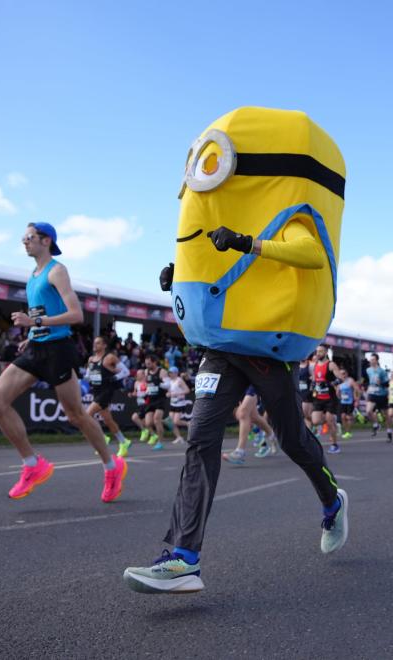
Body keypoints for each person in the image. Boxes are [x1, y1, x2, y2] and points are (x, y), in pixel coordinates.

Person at [124, 108, 347, 594]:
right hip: (221, 349)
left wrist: (250, 242)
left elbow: (309, 253)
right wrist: (175, 276)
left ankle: (332, 502)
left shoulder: (289, 216)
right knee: (201, 439)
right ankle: (184, 559)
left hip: (267, 348)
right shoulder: (220, 217)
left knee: (293, 440)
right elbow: (204, 258)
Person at [0, 222, 126, 501]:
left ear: (46, 240)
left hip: (59, 350)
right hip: (36, 347)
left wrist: (34, 321)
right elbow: (42, 314)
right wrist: (33, 332)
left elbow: (76, 315)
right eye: (23, 237)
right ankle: (33, 465)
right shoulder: (32, 275)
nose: (24, 242)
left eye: (29, 237)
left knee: (76, 417)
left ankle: (112, 467)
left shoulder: (57, 271)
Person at [84, 336, 132, 456]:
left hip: (106, 390)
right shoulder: (91, 359)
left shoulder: (109, 357)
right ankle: (123, 441)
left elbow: (126, 372)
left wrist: (114, 377)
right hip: (96, 391)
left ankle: (101, 438)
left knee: (87, 414)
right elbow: (88, 375)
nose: (95, 345)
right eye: (94, 343)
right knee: (108, 420)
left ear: (104, 345)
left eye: (98, 343)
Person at [310, 344, 345, 453]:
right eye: (317, 351)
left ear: (326, 352)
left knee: (330, 421)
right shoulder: (315, 365)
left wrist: (329, 384)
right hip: (318, 397)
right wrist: (313, 386)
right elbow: (315, 379)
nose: (318, 353)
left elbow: (341, 379)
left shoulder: (331, 365)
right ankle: (332, 424)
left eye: (320, 351)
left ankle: (335, 445)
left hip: (330, 398)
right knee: (315, 421)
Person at [364, 353, 389, 437]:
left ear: (377, 361)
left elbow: (387, 384)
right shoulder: (368, 370)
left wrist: (381, 383)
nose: (371, 361)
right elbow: (367, 380)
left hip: (382, 394)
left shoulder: (382, 371)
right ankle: (376, 424)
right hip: (372, 393)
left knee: (385, 414)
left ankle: (389, 430)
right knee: (368, 411)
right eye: (370, 360)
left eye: (373, 360)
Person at [167, 367, 192, 445]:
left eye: (171, 372)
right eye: (169, 373)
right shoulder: (170, 381)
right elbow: (169, 391)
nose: (170, 374)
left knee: (176, 421)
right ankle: (179, 437)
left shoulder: (179, 380)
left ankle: (189, 424)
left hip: (180, 403)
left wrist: (177, 394)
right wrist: (168, 394)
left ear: (175, 373)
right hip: (173, 403)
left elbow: (187, 390)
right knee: (170, 422)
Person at [337, 368, 360, 440]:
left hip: (350, 401)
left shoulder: (350, 380)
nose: (342, 375)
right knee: (343, 417)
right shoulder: (339, 382)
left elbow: (357, 389)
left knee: (348, 417)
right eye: (341, 374)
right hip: (342, 402)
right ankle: (346, 431)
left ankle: (348, 432)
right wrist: (339, 397)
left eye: (344, 373)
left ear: (346, 374)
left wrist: (357, 400)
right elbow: (337, 391)